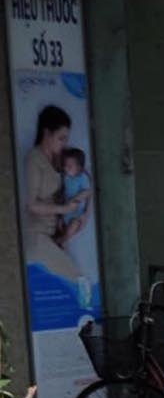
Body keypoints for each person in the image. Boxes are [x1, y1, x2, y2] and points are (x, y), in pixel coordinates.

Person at [19, 105, 85, 279]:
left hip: (55, 235)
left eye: (65, 139)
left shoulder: (59, 158)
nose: (64, 144)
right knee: (77, 281)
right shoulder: (34, 159)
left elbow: (83, 177)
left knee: (72, 286)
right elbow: (31, 205)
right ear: (46, 134)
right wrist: (64, 209)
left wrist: (84, 212)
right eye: (61, 138)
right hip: (38, 235)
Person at [57, 146, 92, 228]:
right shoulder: (66, 177)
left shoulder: (83, 178)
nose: (65, 168)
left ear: (78, 168)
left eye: (69, 166)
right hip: (66, 208)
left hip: (77, 211)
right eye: (65, 165)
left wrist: (85, 212)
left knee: (73, 225)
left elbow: (88, 192)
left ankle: (63, 239)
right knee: (62, 224)